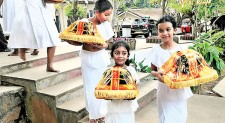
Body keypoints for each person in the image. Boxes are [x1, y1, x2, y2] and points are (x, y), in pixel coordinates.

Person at [68, 0, 114, 122]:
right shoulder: (84, 23)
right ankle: (94, 115)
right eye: (106, 14)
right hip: (88, 58)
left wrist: (103, 46)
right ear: (96, 12)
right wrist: (79, 40)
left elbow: (108, 41)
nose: (107, 18)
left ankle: (102, 113)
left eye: (109, 15)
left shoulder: (106, 24)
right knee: (90, 87)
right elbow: (74, 40)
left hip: (101, 58)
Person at [150, 15, 193, 123]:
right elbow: (153, 70)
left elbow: (187, 71)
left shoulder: (182, 49)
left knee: (179, 118)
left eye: (168, 29)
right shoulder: (156, 49)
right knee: (164, 118)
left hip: (179, 91)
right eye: (161, 30)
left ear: (174, 30)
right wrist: (158, 75)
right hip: (163, 90)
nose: (164, 33)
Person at [7, 0, 60, 72]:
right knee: (25, 30)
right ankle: (22, 49)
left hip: (42, 9)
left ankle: (49, 65)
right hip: (28, 9)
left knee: (53, 37)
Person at [105, 41, 139, 123]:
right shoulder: (109, 71)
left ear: (128, 56)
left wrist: (123, 94)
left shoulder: (131, 70)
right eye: (117, 53)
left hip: (127, 109)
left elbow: (135, 91)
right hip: (113, 108)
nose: (120, 56)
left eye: (124, 53)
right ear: (112, 55)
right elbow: (105, 91)